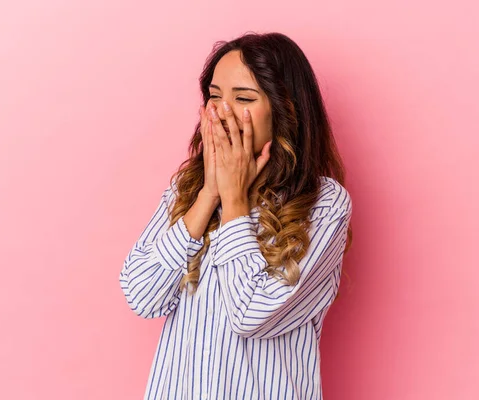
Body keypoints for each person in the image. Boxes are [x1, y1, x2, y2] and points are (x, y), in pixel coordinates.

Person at [119, 31, 353, 400]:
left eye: (243, 98)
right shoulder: (190, 187)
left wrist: (233, 199)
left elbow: (250, 315)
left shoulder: (324, 204)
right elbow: (142, 296)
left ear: (285, 109)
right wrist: (209, 193)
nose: (222, 111)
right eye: (213, 96)